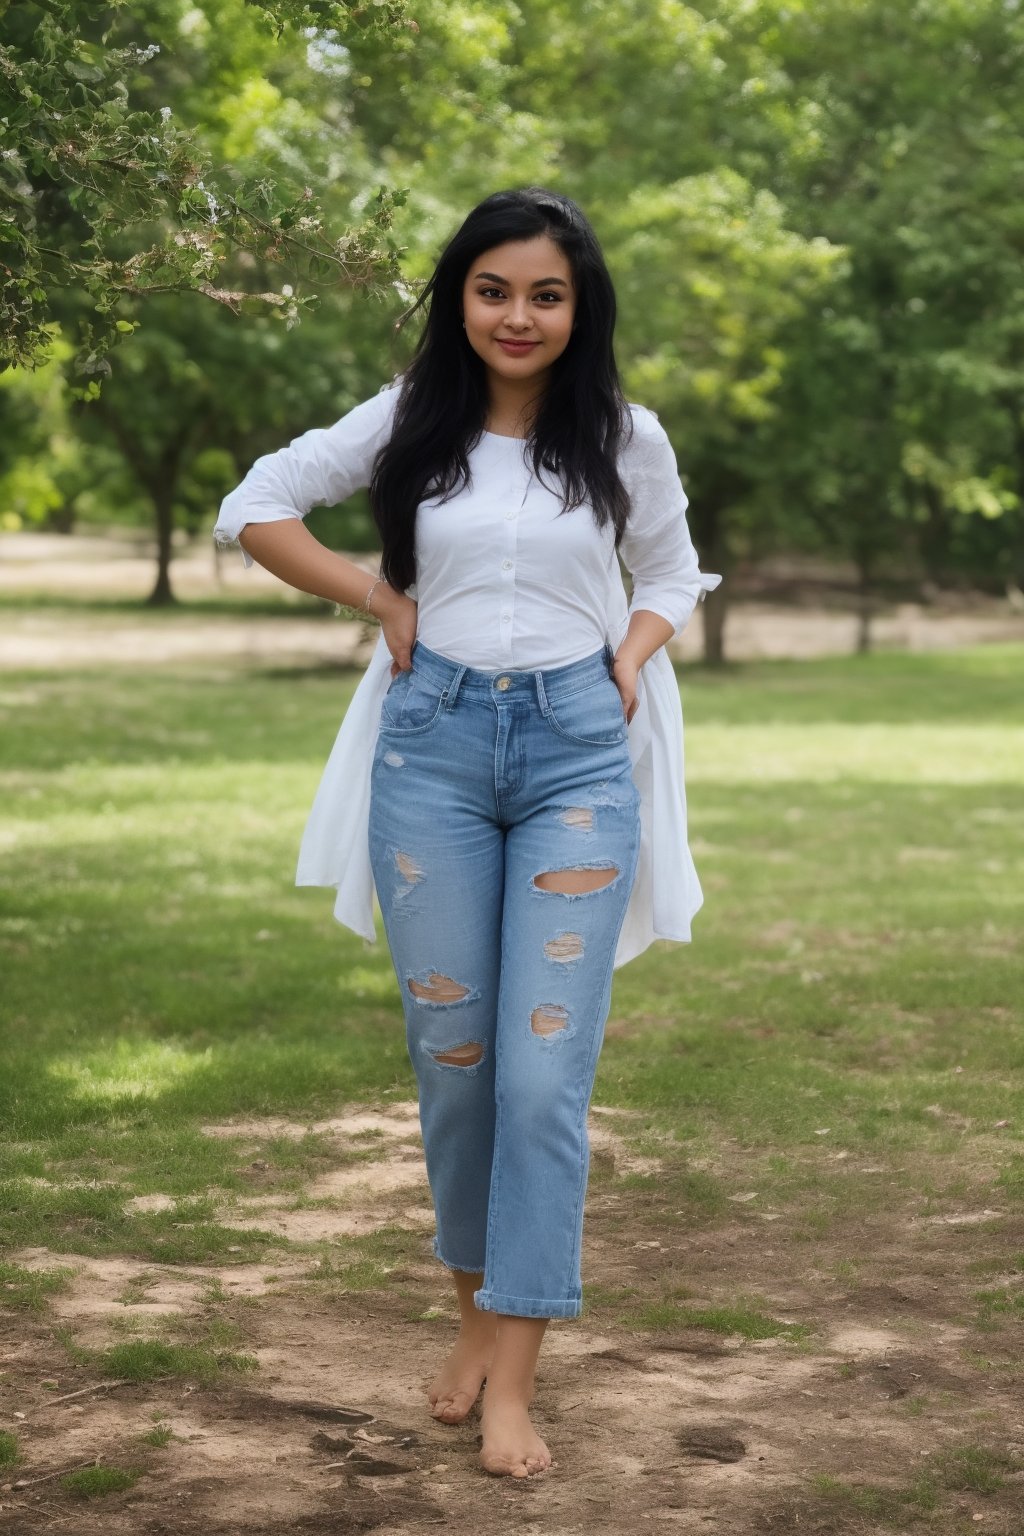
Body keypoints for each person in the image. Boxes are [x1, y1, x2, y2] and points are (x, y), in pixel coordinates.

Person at [213, 186, 720, 1479]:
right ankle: (475, 1324)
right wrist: (380, 598)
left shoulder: (622, 435)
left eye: (545, 293)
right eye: (494, 289)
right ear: (461, 299)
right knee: (458, 1064)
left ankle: (510, 1378)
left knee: (544, 1075)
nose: (518, 314)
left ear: (577, 308)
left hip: (575, 757)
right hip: (430, 751)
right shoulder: (411, 422)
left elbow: (668, 571)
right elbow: (259, 505)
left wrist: (633, 653)